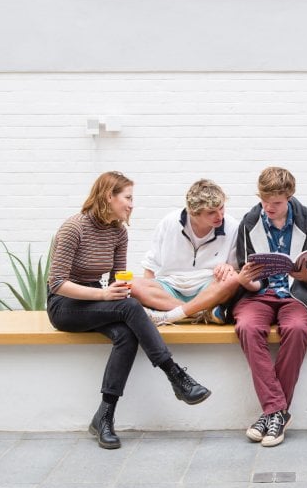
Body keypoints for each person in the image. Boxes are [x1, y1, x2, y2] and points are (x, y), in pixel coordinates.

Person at [46, 171, 211, 450]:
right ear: (108, 196)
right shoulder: (74, 227)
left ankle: (104, 417)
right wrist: (103, 294)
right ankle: (176, 375)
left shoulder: (118, 232)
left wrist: (115, 292)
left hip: (95, 301)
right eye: (128, 197)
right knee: (131, 309)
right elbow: (58, 282)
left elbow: (116, 281)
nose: (132, 204)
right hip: (65, 305)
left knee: (127, 333)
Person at [230, 167, 307, 447]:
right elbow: (248, 280)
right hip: (259, 294)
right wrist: (245, 280)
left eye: (276, 203)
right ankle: (277, 411)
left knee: (296, 328)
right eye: (264, 201)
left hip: (297, 294)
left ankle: (271, 414)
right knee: (247, 326)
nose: (269, 208)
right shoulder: (249, 222)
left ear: (290, 197)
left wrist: (297, 272)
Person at [131, 179, 240, 325]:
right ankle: (200, 313)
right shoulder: (169, 222)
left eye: (221, 208)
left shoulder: (232, 226)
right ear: (194, 213)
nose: (219, 216)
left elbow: (237, 270)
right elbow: (151, 266)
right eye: (211, 212)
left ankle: (170, 315)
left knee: (233, 279)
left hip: (208, 288)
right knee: (130, 285)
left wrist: (229, 268)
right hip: (170, 287)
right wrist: (147, 296)